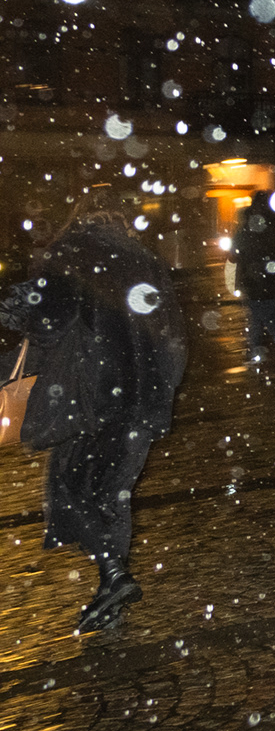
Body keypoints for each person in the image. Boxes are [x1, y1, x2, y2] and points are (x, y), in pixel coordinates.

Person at [0, 204, 187, 633]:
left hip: (93, 401)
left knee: (69, 488)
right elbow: (174, 334)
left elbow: (48, 323)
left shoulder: (72, 253)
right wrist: (161, 390)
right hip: (144, 402)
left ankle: (114, 574)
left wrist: (20, 307)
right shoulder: (146, 260)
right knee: (112, 496)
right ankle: (111, 595)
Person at [232, 191, 275, 366]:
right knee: (263, 316)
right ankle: (266, 350)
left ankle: (260, 351)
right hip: (265, 280)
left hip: (258, 280)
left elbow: (239, 252)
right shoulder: (271, 226)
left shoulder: (250, 228)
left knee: (262, 317)